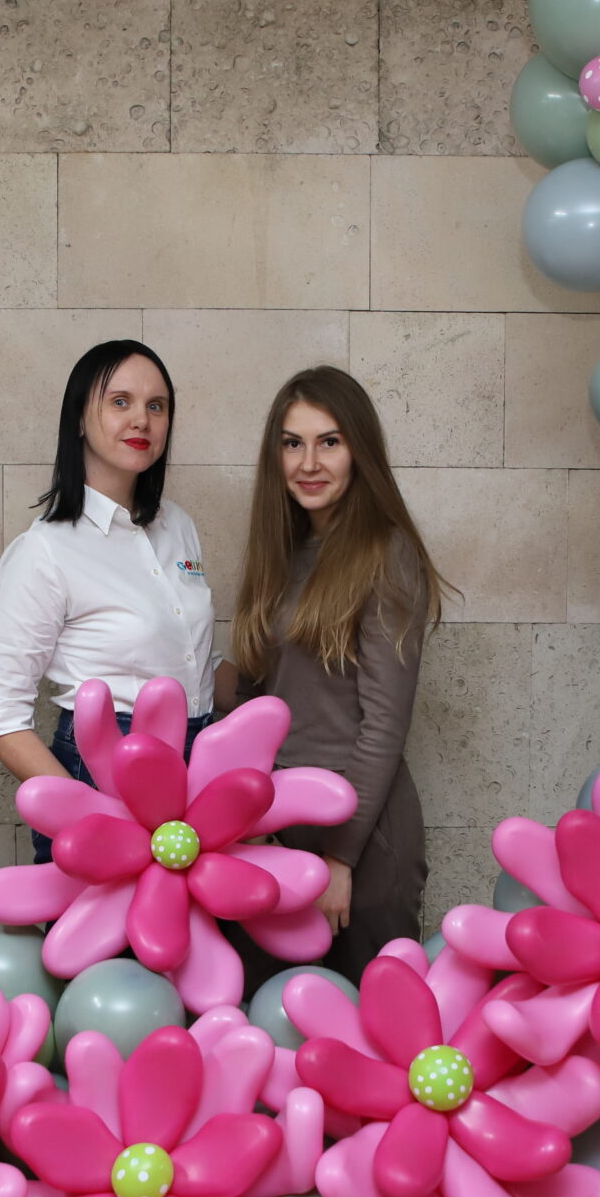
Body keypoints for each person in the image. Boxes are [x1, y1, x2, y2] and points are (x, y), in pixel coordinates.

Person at [223, 365, 448, 975]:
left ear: (359, 451)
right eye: (292, 443)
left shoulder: (386, 553)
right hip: (277, 824)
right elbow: (258, 698)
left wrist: (340, 859)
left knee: (370, 1013)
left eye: (329, 442)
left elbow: (384, 724)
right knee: (267, 1012)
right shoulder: (280, 552)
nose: (308, 463)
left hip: (361, 835)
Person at [0, 340, 213, 858]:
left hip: (197, 768)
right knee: (105, 913)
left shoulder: (179, 526)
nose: (142, 420)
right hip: (103, 767)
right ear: (80, 418)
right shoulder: (45, 550)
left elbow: (186, 657)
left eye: (156, 406)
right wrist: (81, 808)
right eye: (120, 402)